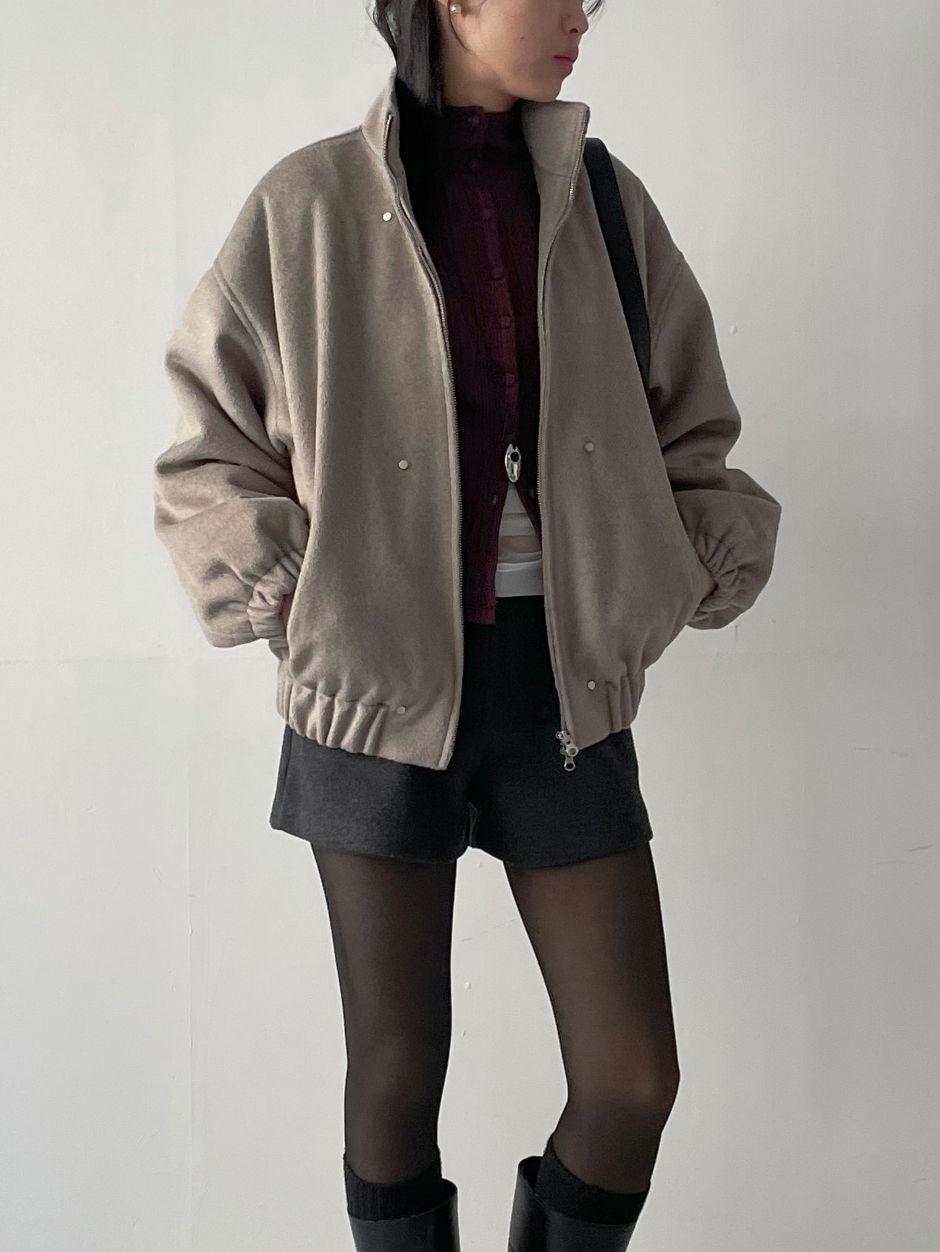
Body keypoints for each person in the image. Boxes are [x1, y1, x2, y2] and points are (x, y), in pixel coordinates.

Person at [152, 1, 782, 1247]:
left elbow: (692, 430)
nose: (579, 16)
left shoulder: (606, 204)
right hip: (374, 683)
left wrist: (678, 565)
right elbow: (206, 450)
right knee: (396, 1072)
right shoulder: (309, 202)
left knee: (630, 1080)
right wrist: (303, 600)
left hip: (562, 685)